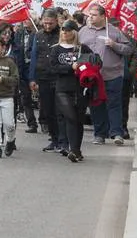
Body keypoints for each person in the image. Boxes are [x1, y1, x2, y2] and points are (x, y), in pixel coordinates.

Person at [79, 3, 132, 146]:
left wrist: (114, 45)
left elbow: (128, 50)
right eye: (90, 14)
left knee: (114, 104)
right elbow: (77, 51)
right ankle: (99, 134)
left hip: (113, 75)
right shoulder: (83, 31)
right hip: (93, 77)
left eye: (94, 15)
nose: (91, 17)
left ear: (103, 16)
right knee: (96, 105)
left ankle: (116, 133)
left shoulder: (114, 31)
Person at [49, 20, 97, 163]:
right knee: (71, 117)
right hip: (62, 89)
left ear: (74, 32)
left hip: (80, 89)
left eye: (68, 30)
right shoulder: (56, 49)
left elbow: (94, 64)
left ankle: (76, 150)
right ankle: (73, 150)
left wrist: (90, 64)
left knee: (79, 120)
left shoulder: (83, 48)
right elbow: (53, 68)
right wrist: (71, 67)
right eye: (63, 30)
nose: (65, 32)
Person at [30, 9, 67, 153]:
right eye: (45, 23)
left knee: (60, 111)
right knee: (47, 111)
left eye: (50, 23)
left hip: (58, 77)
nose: (47, 26)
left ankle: (63, 140)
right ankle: (54, 139)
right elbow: (34, 56)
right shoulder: (38, 35)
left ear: (56, 21)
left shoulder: (62, 34)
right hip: (43, 77)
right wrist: (32, 78)